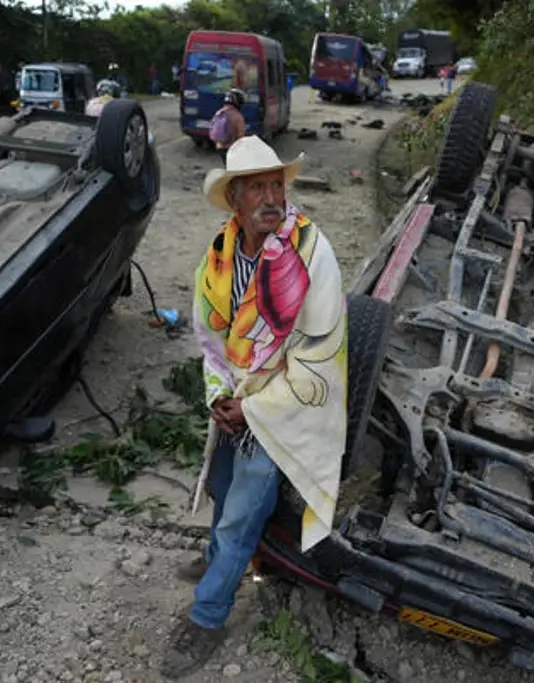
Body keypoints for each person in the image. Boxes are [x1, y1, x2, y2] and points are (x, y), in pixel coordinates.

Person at [160, 135, 348, 679]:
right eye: (257, 188)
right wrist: (219, 393)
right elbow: (209, 337)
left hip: (288, 407)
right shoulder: (219, 256)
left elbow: (319, 355)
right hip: (235, 399)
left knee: (244, 507)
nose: (271, 197)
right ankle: (223, 557)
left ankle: (209, 614)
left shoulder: (312, 253)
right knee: (221, 485)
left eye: (277, 185)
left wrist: (256, 408)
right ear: (235, 199)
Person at [208, 89, 246, 166]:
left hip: (219, 147)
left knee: (227, 166)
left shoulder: (218, 112)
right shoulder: (237, 116)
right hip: (232, 148)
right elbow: (241, 137)